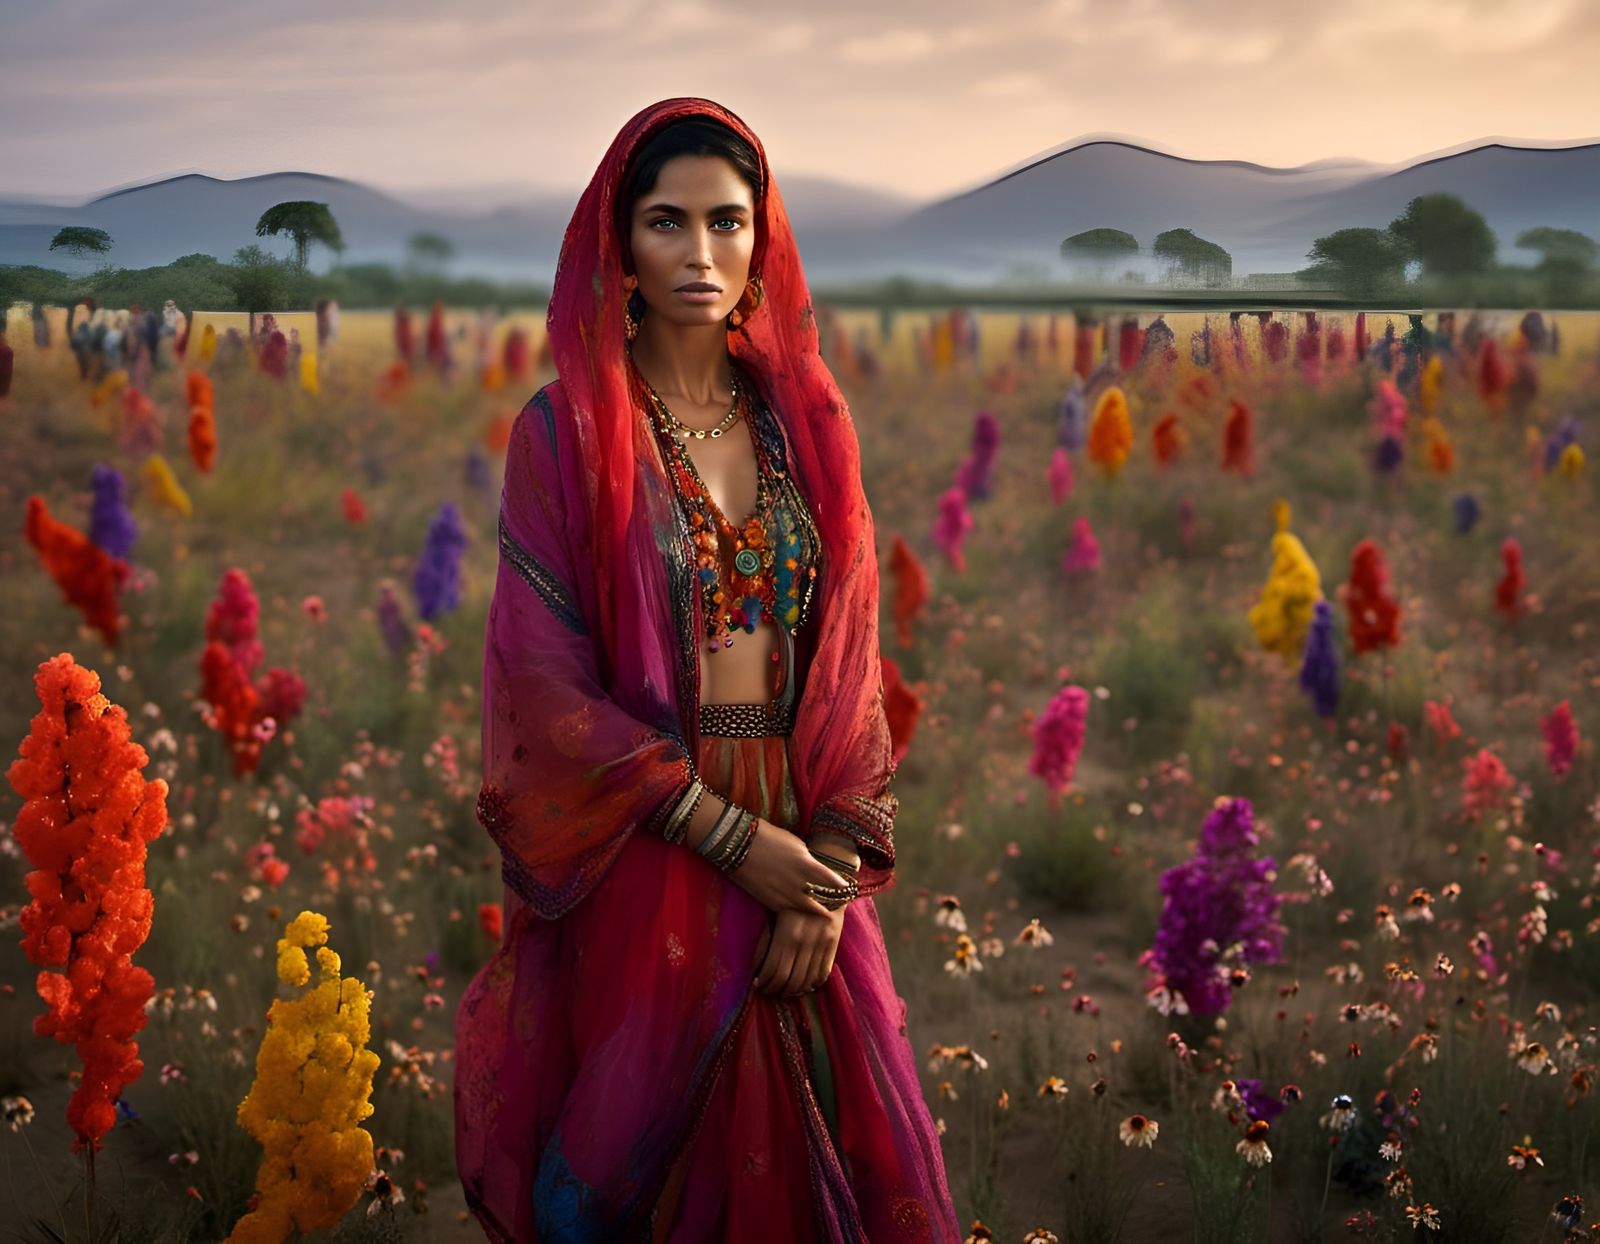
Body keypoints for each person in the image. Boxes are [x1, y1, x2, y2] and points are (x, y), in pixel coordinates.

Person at [454, 98, 961, 1243]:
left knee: (830, 1128)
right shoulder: (569, 431)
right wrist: (736, 844)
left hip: (800, 811)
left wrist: (823, 869)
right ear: (617, 248)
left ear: (761, 239)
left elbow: (848, 658)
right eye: (666, 223)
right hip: (651, 836)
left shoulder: (804, 417)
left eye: (728, 223)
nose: (700, 255)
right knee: (640, 1151)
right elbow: (543, 684)